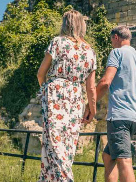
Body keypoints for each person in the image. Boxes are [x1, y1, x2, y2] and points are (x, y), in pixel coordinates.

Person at [85, 26, 136, 182]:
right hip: (134, 119)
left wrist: (90, 104)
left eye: (111, 40)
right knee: (108, 156)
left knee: (124, 160)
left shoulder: (117, 53)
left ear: (116, 37)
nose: (111, 43)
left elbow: (105, 82)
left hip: (119, 117)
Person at [37, 10, 97, 182]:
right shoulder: (89, 51)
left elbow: (41, 73)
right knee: (67, 144)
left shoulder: (57, 43)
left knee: (53, 143)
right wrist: (92, 110)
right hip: (76, 96)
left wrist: (46, 90)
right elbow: (91, 88)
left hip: (55, 93)